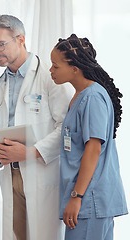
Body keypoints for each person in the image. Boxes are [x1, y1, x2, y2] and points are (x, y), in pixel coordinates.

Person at [0, 15, 73, 240]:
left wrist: (31, 152)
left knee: (43, 234)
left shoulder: (50, 76)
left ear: (21, 39)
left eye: (0, 44)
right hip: (11, 173)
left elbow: (67, 126)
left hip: (42, 171)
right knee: (17, 234)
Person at [50, 34, 128, 239]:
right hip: (86, 198)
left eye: (55, 66)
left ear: (75, 68)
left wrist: (77, 196)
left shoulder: (92, 97)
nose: (51, 71)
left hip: (90, 198)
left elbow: (93, 149)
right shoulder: (79, 95)